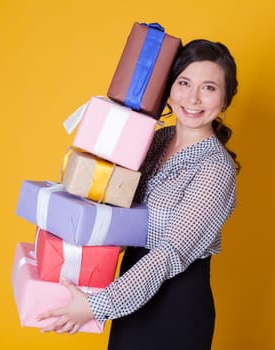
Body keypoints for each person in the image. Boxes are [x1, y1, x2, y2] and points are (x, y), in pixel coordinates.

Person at [38, 38, 240, 349]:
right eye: (184, 82)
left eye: (209, 88)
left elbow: (171, 252)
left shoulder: (215, 168)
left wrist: (96, 306)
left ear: (225, 99)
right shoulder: (157, 139)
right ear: (169, 88)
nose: (194, 98)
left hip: (176, 307)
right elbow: (118, 206)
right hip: (131, 295)